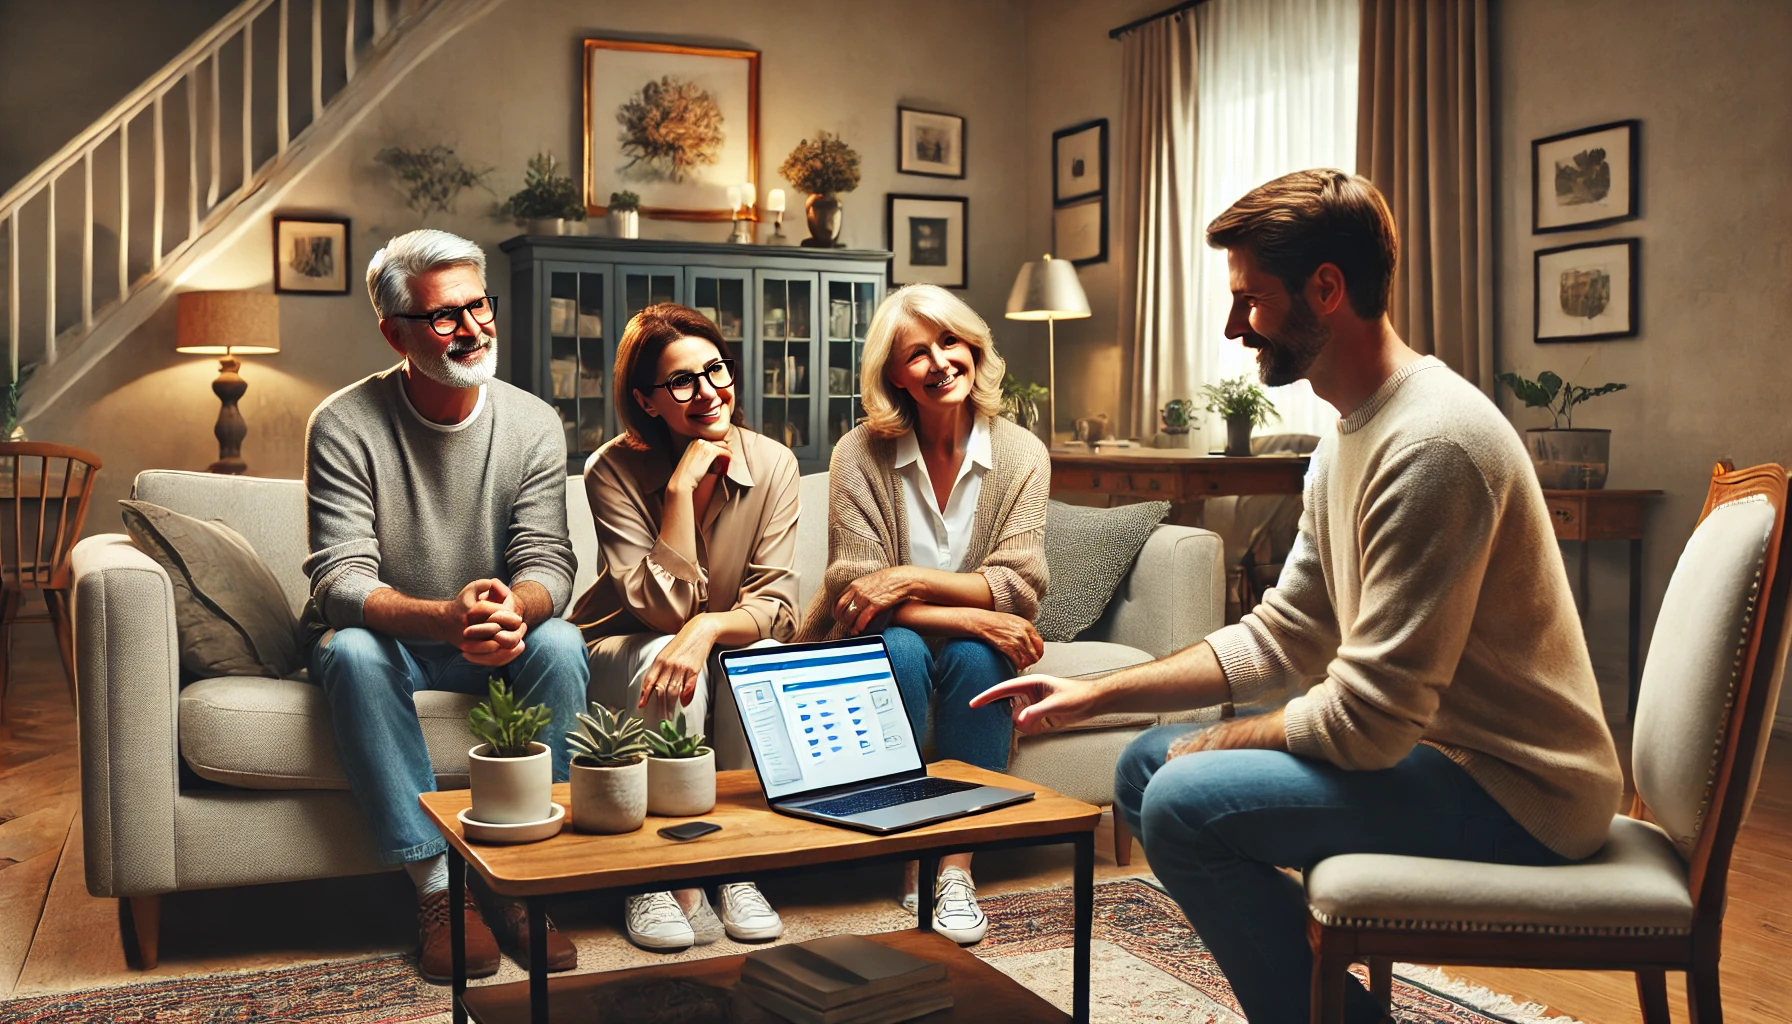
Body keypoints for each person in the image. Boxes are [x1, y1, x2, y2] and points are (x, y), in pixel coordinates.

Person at [972, 170, 1623, 1023]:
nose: (1234, 325)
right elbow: (1284, 635)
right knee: (1141, 765)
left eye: (1251, 300)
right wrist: (1095, 693)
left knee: (1176, 796)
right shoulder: (1348, 437)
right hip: (1440, 756)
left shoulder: (1434, 445)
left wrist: (1210, 748)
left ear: (1328, 289)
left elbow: (1369, 720)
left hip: (1520, 791)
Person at [303, 229, 588, 982]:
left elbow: (549, 563)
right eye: (444, 316)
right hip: (396, 643)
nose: (472, 328)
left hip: (492, 642)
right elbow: (339, 582)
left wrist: (513, 610)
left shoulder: (530, 422)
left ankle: (519, 883)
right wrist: (445, 618)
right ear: (394, 330)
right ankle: (439, 892)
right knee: (350, 650)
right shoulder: (342, 422)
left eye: (479, 306)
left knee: (560, 644)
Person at [799, 284, 1049, 946]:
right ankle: (912, 857)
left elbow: (1017, 586)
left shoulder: (1021, 454)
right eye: (916, 353)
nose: (939, 362)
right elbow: (857, 591)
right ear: (891, 375)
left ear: (973, 348)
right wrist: (974, 613)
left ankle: (957, 866)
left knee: (978, 660)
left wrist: (908, 577)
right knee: (905, 649)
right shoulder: (858, 453)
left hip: (956, 636)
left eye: (949, 342)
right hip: (881, 635)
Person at [574, 303, 800, 952]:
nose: (707, 392)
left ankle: (736, 866)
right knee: (667, 663)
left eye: (715, 370)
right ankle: (659, 874)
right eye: (681, 382)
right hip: (622, 643)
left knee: (753, 658)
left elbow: (774, 605)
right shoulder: (611, 470)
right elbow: (657, 611)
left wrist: (703, 633)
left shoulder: (774, 465)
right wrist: (678, 491)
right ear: (647, 401)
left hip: (718, 641)